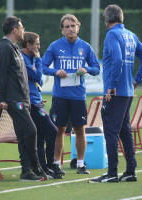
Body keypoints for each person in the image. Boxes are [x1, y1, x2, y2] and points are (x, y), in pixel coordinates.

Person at [90, 5, 142, 183]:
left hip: (115, 92)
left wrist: (111, 85)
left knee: (111, 132)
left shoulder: (112, 34)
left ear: (107, 20)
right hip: (127, 92)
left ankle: (111, 174)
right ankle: (130, 171)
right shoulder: (131, 35)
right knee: (125, 132)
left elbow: (117, 59)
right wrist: (136, 80)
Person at [42, 14, 100, 175]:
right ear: (62, 30)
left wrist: (86, 69)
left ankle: (80, 164)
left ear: (78, 27)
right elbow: (42, 66)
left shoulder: (85, 47)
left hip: (78, 96)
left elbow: (97, 68)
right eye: (66, 26)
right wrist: (55, 71)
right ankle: (56, 164)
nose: (70, 29)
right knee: (58, 130)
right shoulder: (54, 46)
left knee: (80, 130)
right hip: (60, 96)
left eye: (72, 26)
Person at [0, 16, 48, 181]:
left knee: (24, 134)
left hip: (24, 99)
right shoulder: (4, 47)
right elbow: (0, 75)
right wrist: (1, 98)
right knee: (31, 130)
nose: (24, 30)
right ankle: (36, 165)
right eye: (22, 27)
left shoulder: (15, 48)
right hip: (14, 99)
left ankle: (26, 171)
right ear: (15, 30)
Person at [20, 32, 61, 179]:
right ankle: (48, 165)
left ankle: (44, 167)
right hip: (31, 103)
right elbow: (37, 76)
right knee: (52, 131)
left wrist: (37, 62)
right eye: (36, 43)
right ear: (28, 44)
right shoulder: (23, 58)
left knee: (41, 135)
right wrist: (38, 59)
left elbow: (39, 81)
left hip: (37, 100)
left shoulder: (31, 57)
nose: (39, 46)